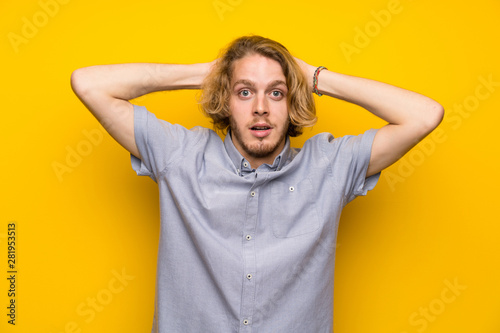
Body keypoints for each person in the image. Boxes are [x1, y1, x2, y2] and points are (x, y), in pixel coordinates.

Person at [71, 35, 444, 332]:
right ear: (226, 100)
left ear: (292, 101)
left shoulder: (329, 166)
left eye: (276, 92)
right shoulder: (180, 156)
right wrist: (210, 73)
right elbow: (87, 83)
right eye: (244, 92)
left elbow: (425, 114)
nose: (261, 107)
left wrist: (313, 76)